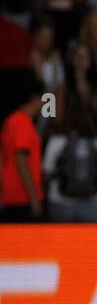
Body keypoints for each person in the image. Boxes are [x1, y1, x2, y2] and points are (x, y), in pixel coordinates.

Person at [1, 78, 45, 222]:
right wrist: (34, 198)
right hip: (22, 199)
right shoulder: (22, 123)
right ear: (34, 99)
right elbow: (21, 160)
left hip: (11, 196)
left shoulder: (12, 120)